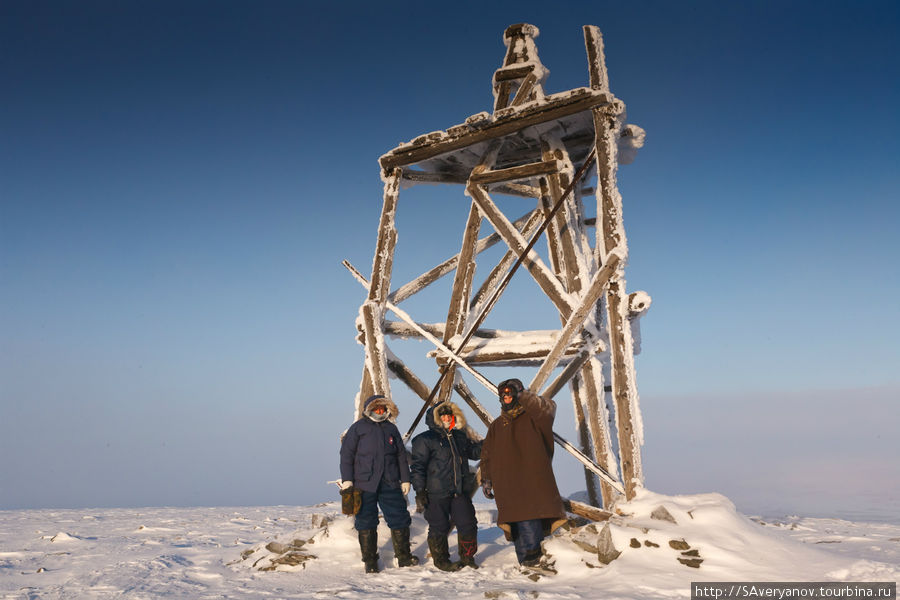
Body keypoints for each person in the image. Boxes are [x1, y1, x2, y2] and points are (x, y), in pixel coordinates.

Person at [480, 378, 567, 567]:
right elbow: (486, 455)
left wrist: (523, 394)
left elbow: (548, 407)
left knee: (529, 520)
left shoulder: (535, 418)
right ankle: (526, 568)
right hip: (506, 487)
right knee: (516, 527)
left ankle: (533, 563)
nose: (507, 396)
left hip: (531, 482)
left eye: (511, 393)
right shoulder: (496, 426)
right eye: (503, 394)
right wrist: (486, 479)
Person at [339, 394, 420, 573]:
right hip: (364, 483)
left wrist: (405, 479)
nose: (380, 411)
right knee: (366, 521)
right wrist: (347, 480)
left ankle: (404, 558)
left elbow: (400, 455)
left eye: (383, 408)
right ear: (369, 409)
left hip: (390, 482)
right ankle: (370, 562)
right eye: (377, 408)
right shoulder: (358, 428)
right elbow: (346, 455)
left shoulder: (391, 429)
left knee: (399, 518)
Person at [410, 401, 482, 571]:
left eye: (449, 415)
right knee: (439, 525)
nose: (446, 418)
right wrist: (420, 490)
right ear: (435, 418)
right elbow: (418, 467)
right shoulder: (424, 440)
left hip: (459, 491)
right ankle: (441, 560)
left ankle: (467, 557)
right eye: (442, 416)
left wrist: (489, 442)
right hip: (436, 492)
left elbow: (473, 453)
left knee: (468, 522)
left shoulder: (460, 436)